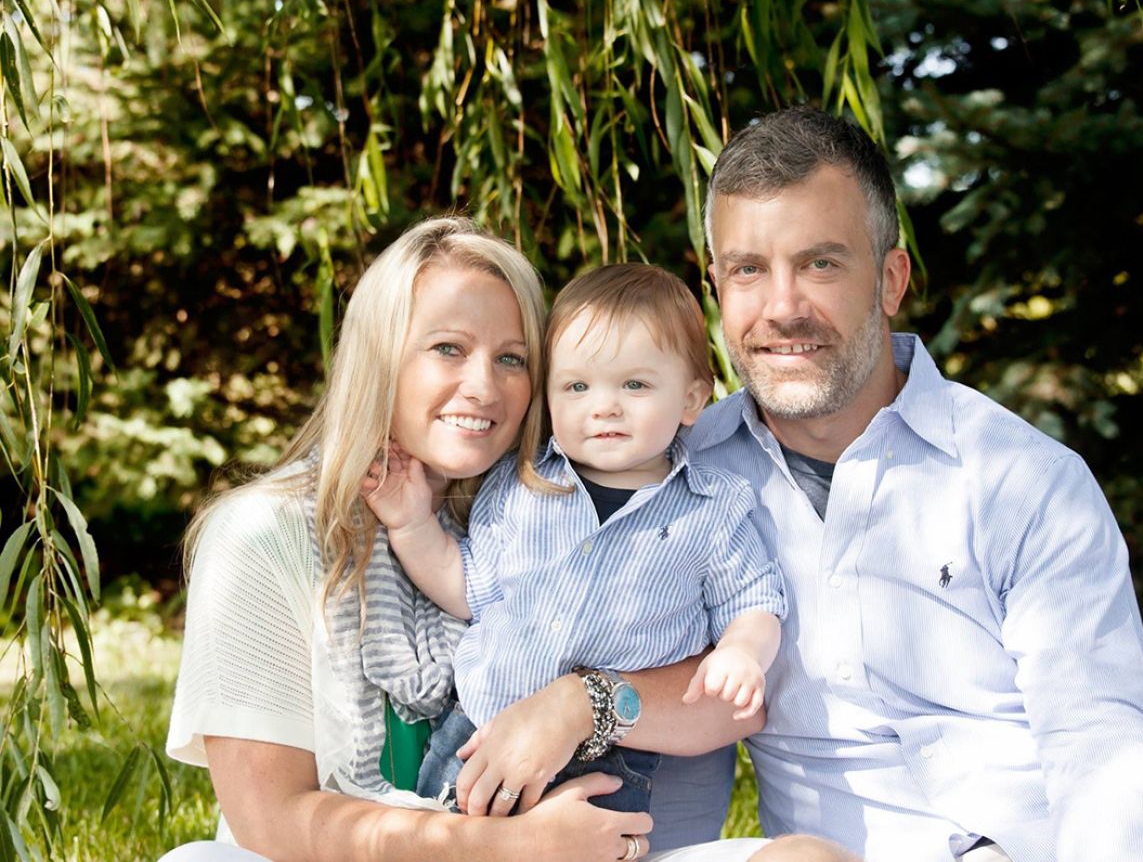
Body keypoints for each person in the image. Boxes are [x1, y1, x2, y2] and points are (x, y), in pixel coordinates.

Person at [646, 106, 1143, 861]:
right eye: (749, 269)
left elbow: (1099, 751)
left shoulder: (1023, 478)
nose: (783, 307)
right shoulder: (683, 480)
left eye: (822, 263)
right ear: (716, 285)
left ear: (891, 279)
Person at [161, 217, 824, 862]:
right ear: (380, 356)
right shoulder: (262, 534)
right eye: (447, 347)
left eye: (512, 358)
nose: (483, 386)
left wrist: (578, 703)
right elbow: (268, 819)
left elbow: (730, 709)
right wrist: (511, 847)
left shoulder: (533, 500)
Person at [361, 263, 786, 817]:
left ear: (691, 399)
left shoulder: (712, 510)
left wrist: (740, 651)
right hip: (479, 731)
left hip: (608, 756)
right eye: (578, 386)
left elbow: (754, 600)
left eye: (635, 384)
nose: (604, 405)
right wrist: (411, 524)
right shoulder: (523, 487)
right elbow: (469, 586)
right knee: (446, 844)